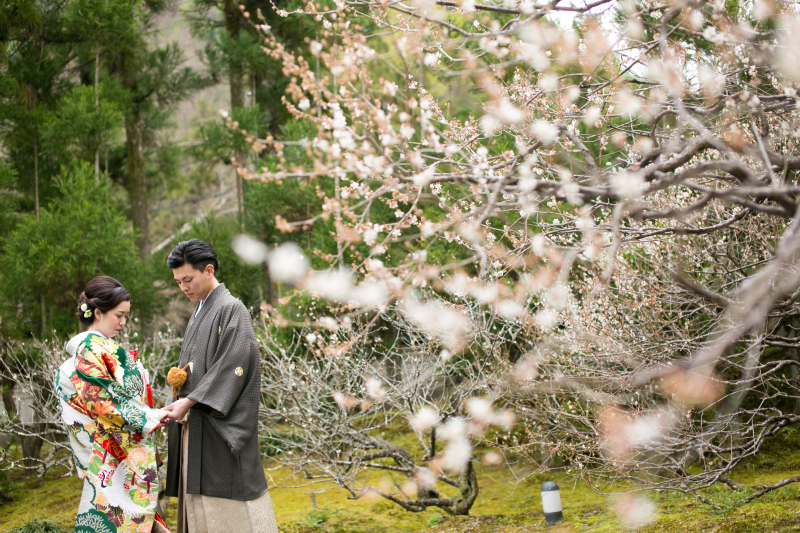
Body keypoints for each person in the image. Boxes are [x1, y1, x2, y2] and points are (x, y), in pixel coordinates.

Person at [162, 239, 278, 533]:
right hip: (195, 423)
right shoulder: (199, 311)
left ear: (209, 270)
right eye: (178, 282)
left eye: (187, 279)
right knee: (198, 508)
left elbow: (234, 364)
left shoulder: (231, 308)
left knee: (228, 505)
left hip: (217, 425)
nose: (183, 287)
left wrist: (190, 400)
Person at [55, 276, 171, 533]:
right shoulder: (90, 348)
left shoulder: (101, 348)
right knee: (126, 518)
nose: (123, 322)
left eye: (126, 316)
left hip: (118, 445)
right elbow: (102, 400)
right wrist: (150, 417)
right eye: (119, 315)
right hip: (111, 449)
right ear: (97, 312)